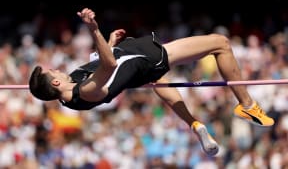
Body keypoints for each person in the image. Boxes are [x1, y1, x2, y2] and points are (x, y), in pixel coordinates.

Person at [29, 8, 274, 156]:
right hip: (148, 58)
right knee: (220, 43)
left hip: (137, 64)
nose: (56, 69)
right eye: (53, 72)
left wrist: (110, 43)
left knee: (159, 81)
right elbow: (108, 67)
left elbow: (100, 63)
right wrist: (94, 29)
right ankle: (247, 104)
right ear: (56, 85)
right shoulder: (85, 93)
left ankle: (195, 124)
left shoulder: (73, 82)